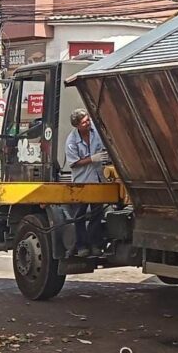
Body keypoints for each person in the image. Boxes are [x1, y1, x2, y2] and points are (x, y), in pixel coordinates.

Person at [65, 108, 108, 257]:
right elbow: (74, 163)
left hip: (98, 179)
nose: (88, 123)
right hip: (82, 181)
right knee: (80, 215)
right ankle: (82, 245)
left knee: (97, 213)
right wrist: (92, 159)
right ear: (77, 125)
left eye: (88, 120)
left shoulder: (95, 132)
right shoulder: (71, 141)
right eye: (84, 122)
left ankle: (95, 244)